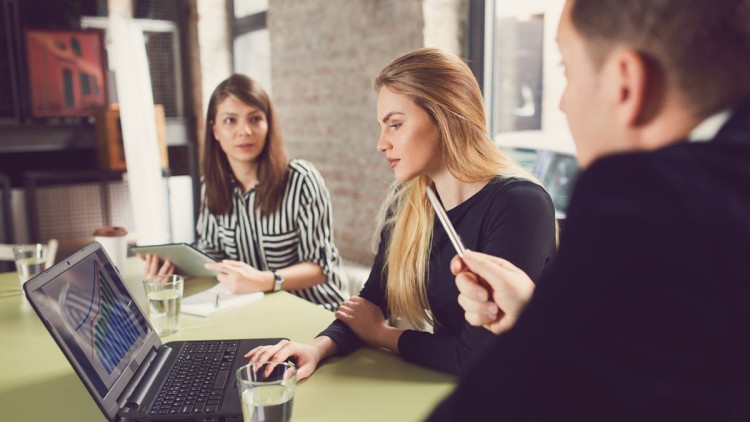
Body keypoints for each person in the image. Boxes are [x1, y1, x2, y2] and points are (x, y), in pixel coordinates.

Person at [430, 0, 750, 419]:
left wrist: (547, 330)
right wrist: (542, 315)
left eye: (567, 70)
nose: (562, 104)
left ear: (626, 85)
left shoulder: (651, 203)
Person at [244, 48, 557, 379]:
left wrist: (382, 335)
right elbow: (371, 302)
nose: (381, 143)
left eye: (395, 124)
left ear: (446, 115)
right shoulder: (409, 202)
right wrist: (316, 347)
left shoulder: (520, 205)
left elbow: (477, 357)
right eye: (383, 126)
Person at [143, 74, 347, 311]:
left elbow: (322, 268)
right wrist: (174, 268)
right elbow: (212, 252)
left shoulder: (302, 179)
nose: (244, 131)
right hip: (257, 308)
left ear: (268, 125)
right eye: (230, 120)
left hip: (318, 311)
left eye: (255, 119)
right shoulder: (211, 186)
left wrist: (265, 280)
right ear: (215, 130)